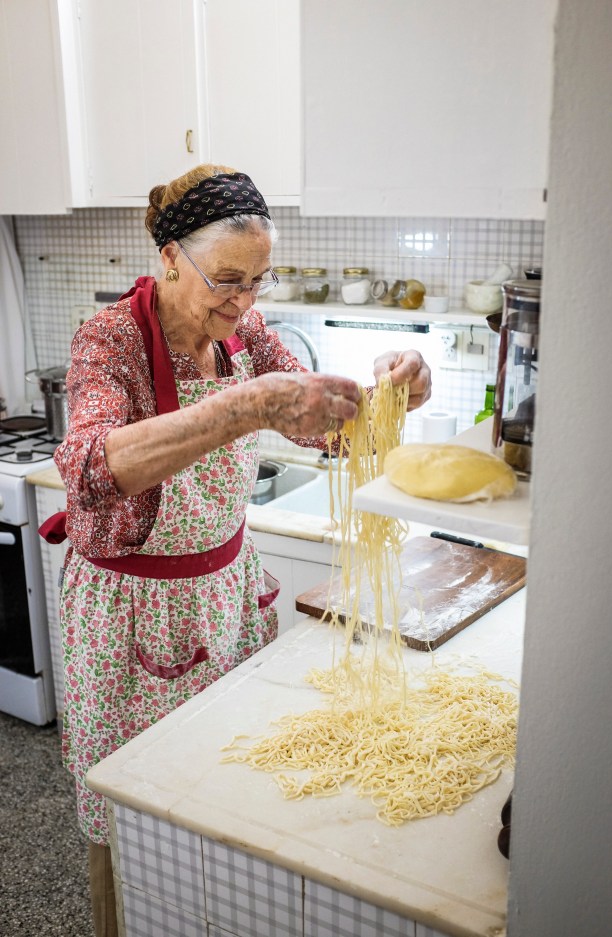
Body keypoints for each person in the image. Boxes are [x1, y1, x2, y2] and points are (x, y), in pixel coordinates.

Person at [44, 163, 431, 936]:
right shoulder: (111, 338)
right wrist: (244, 404)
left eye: (258, 281)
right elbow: (86, 470)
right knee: (132, 813)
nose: (245, 302)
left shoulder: (244, 333)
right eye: (227, 279)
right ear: (166, 257)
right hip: (132, 615)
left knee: (220, 794)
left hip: (224, 592)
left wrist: (392, 391)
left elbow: (317, 423)